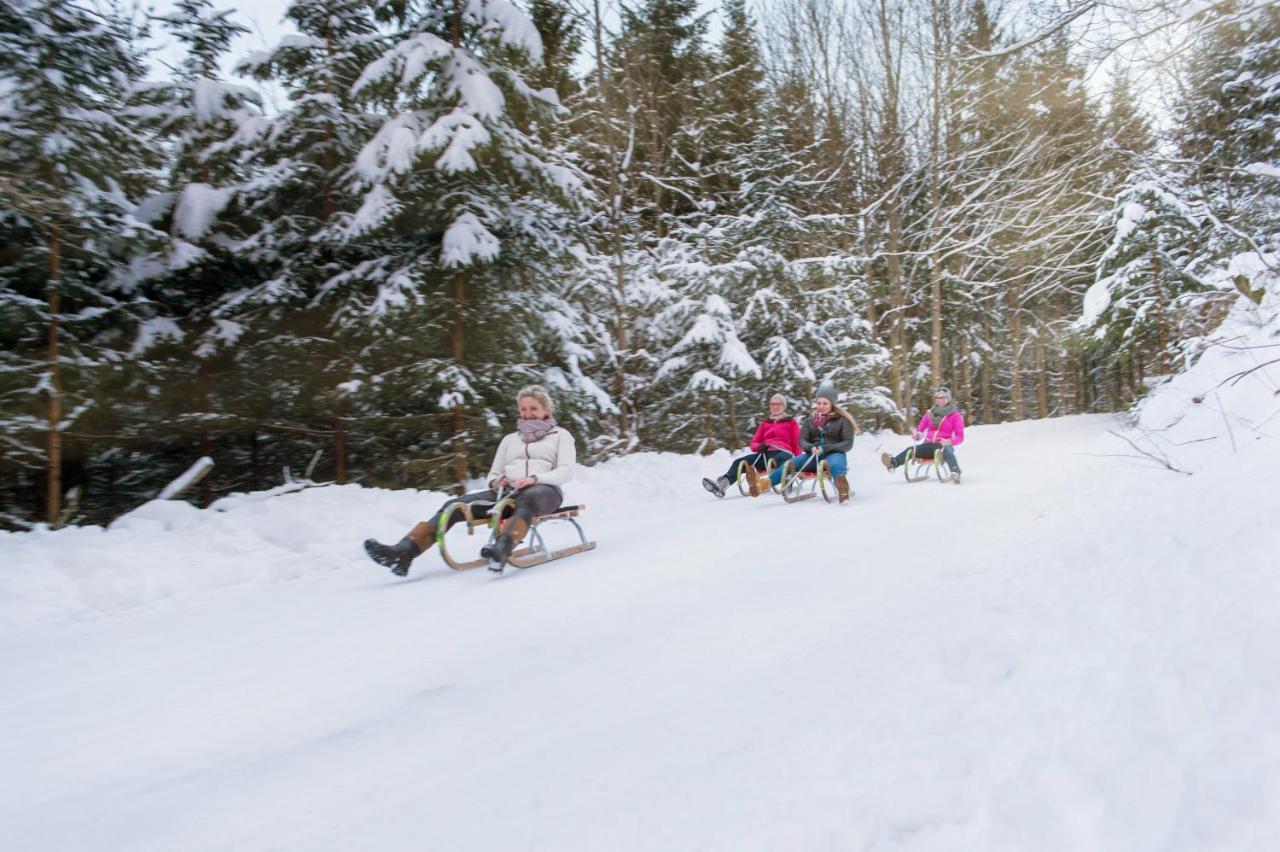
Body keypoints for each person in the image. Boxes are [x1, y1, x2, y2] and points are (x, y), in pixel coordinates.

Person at [364, 385, 576, 575]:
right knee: (453, 506)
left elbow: (566, 471)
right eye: (523, 409)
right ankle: (404, 552)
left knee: (527, 499)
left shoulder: (560, 435)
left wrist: (535, 478)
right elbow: (493, 474)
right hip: (506, 494)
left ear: (546, 411)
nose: (528, 414)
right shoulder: (510, 440)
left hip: (544, 492)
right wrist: (497, 482)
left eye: (533, 409)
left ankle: (502, 548)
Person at [752, 383, 855, 503]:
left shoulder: (842, 421)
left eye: (825, 403)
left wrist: (825, 448)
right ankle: (764, 484)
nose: (821, 406)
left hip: (834, 453)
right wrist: (811, 448)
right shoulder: (810, 421)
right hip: (812, 456)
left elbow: (848, 443)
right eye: (818, 403)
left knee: (836, 464)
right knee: (789, 464)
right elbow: (802, 440)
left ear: (832, 404)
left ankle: (841, 487)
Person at [701, 393, 801, 499]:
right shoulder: (764, 424)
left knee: (783, 459)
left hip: (782, 452)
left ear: (784, 406)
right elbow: (753, 443)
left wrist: (800, 463)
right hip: (764, 454)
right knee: (738, 462)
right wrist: (759, 447)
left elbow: (797, 443)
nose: (775, 406)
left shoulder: (790, 422)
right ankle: (723, 484)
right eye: (772, 404)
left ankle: (787, 481)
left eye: (778, 404)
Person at [881, 386, 964, 483]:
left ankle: (955, 473)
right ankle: (892, 463)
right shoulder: (929, 414)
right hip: (928, 446)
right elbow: (920, 430)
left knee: (948, 451)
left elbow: (960, 437)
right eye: (937, 397)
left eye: (942, 397)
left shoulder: (955, 415)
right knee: (910, 450)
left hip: (942, 445)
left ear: (948, 399)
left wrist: (950, 441)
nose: (939, 400)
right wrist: (917, 434)